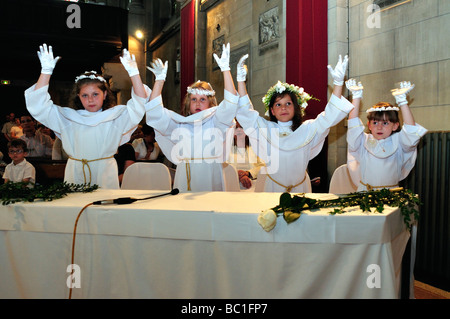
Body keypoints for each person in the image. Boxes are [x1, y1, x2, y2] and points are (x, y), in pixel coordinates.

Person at [24, 44, 150, 189]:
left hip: (105, 172)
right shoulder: (68, 118)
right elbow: (39, 105)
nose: (90, 100)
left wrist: (134, 73)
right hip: (76, 171)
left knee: (104, 208)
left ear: (104, 94)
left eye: (95, 94)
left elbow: (140, 103)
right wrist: (45, 72)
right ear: (78, 97)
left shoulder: (116, 117)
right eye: (85, 95)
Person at [235, 54, 354, 193]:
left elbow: (330, 116)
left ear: (296, 107)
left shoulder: (307, 129)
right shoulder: (266, 129)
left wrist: (338, 83)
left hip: (301, 189)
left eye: (288, 103)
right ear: (272, 111)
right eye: (278, 104)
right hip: (273, 189)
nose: (283, 108)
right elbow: (246, 113)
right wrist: (240, 81)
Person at [145, 43, 239, 192]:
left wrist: (226, 70)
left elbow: (230, 104)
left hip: (211, 174)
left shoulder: (216, 121)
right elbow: (155, 114)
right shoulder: (179, 124)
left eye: (203, 100)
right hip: (184, 174)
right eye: (194, 99)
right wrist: (160, 80)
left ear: (210, 103)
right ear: (188, 103)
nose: (197, 103)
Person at [345, 79, 427, 191]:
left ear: (395, 126)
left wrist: (402, 102)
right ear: (369, 125)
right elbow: (353, 126)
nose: (379, 127)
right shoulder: (363, 141)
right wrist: (356, 97)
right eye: (375, 122)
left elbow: (411, 131)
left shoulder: (399, 142)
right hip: (365, 194)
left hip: (391, 195)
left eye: (385, 123)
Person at [227, 119, 263, 189]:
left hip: (253, 186)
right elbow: (222, 168)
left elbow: (263, 166)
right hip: (231, 187)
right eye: (236, 128)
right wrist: (237, 174)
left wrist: (248, 173)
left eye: (242, 127)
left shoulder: (256, 148)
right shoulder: (226, 149)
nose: (239, 130)